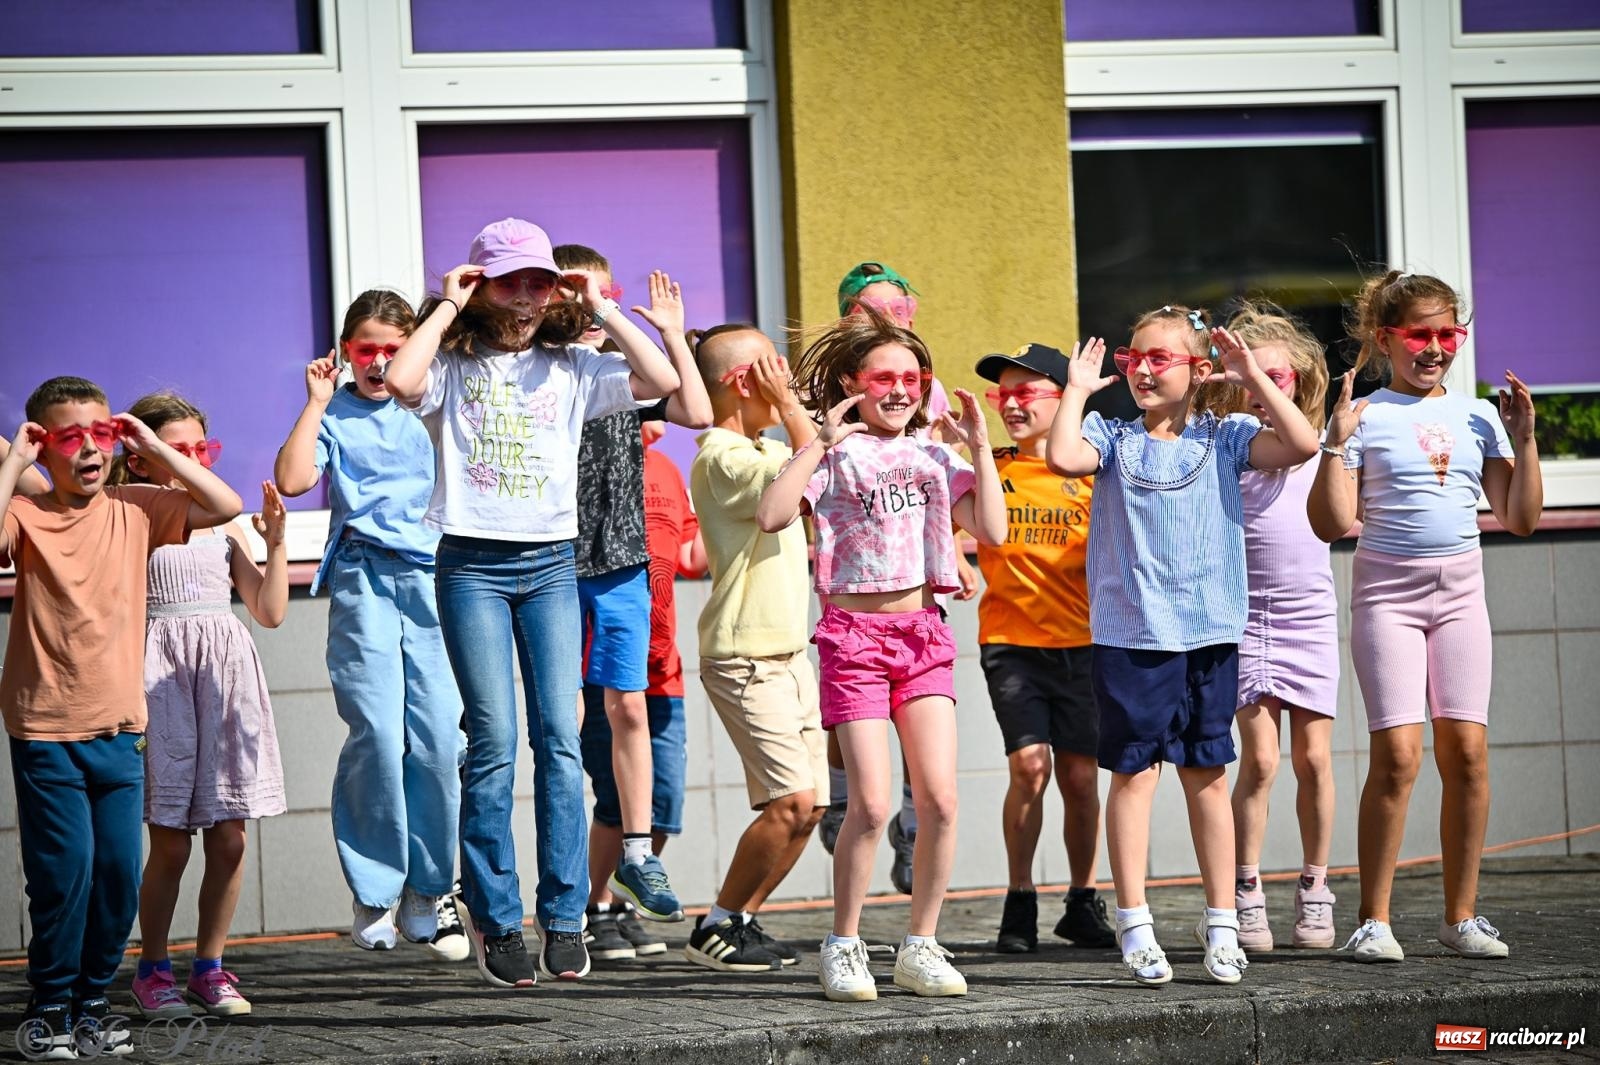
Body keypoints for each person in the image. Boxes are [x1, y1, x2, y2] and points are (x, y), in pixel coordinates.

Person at [384, 218, 679, 988]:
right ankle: (495, 917)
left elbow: (663, 384)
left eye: (538, 281)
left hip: (552, 564)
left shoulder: (574, 364)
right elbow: (402, 383)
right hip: (471, 565)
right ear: (482, 285)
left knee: (559, 733)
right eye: (509, 280)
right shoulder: (452, 361)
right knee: (492, 739)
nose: (526, 296)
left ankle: (565, 915)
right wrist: (446, 308)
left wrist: (603, 306)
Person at [1045, 305, 1318, 986]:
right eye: (1134, 356)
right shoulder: (1110, 435)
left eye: (1159, 357)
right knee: (1134, 776)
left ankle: (1222, 921)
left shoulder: (1226, 436)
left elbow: (1304, 444)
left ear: (1197, 370)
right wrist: (1077, 388)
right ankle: (1135, 923)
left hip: (1210, 632)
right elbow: (1061, 455)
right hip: (1132, 637)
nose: (1141, 367)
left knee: (1209, 776)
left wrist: (1251, 372)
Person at [757, 310, 1006, 1002]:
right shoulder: (835, 453)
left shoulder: (935, 454)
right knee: (868, 803)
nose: (899, 389)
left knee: (941, 800)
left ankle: (921, 944)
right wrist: (817, 443)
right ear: (852, 382)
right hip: (853, 640)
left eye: (911, 377)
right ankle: (844, 943)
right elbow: (774, 515)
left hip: (923, 634)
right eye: (883, 377)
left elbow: (992, 528)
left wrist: (980, 448)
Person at [1, 376, 241, 1059]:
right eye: (69, 437)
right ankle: (49, 1000)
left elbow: (220, 503)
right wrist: (13, 464)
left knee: (113, 873)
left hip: (120, 728)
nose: (89, 449)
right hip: (46, 729)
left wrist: (155, 451)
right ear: (45, 445)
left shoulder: (138, 507)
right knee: (63, 872)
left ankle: (93, 999)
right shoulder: (28, 513)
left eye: (100, 434)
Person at [1309, 271, 1542, 963]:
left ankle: (1460, 916)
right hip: (1389, 600)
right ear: (1386, 339)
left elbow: (1520, 517)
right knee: (1399, 755)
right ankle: (1373, 919)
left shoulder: (1478, 416)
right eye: (1420, 334)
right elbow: (1331, 523)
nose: (1435, 347)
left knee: (1467, 753)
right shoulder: (1367, 413)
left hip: (1461, 599)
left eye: (1448, 333)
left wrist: (1524, 438)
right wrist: (1332, 442)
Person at [274, 289, 467, 963]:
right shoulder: (337, 410)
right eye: (367, 349)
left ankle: (429, 889)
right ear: (344, 352)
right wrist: (317, 403)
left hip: (436, 580)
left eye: (393, 347)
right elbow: (295, 479)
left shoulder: (436, 404)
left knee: (440, 739)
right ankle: (375, 888)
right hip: (363, 577)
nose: (380, 361)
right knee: (380, 735)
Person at [106, 394, 287, 1020]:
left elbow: (267, 611)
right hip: (160, 674)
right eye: (175, 450)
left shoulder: (225, 520)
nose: (191, 462)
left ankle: (210, 967)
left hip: (224, 672)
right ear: (140, 455)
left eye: (200, 451)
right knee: (173, 842)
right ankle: (151, 966)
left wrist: (280, 541)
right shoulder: (126, 510)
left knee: (230, 838)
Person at [552, 245, 710, 943]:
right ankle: (568, 901)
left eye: (600, 294)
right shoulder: (545, 374)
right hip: (552, 563)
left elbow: (695, 405)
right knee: (555, 727)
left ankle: (638, 855)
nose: (589, 307)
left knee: (629, 708)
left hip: (619, 563)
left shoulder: (620, 369)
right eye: (574, 296)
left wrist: (660, 327)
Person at [822, 261, 976, 895]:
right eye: (872, 310)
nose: (889, 319)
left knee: (934, 772)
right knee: (858, 737)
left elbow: (935, 489)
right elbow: (818, 488)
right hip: (849, 574)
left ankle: (914, 825)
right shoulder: (836, 397)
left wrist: (957, 555)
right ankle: (846, 796)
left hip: (914, 593)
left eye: (900, 309)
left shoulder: (919, 387)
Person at [1197, 302, 1340, 952]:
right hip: (1245, 620)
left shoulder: (1317, 447)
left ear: (1300, 379)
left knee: (1313, 758)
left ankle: (1316, 883)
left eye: (1277, 377)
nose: (1265, 389)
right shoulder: (1232, 445)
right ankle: (1245, 884)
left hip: (1307, 615)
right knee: (1257, 759)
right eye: (1254, 379)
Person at [686, 325, 825, 973]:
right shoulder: (723, 456)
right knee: (789, 801)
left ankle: (738, 918)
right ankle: (715, 922)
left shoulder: (763, 447)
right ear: (745, 381)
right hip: (745, 655)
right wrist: (803, 417)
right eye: (779, 372)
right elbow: (810, 458)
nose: (791, 386)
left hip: (791, 653)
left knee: (812, 805)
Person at [971, 343, 1115, 954]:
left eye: (1025, 392)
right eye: (1003, 392)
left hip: (1086, 645)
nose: (1010, 403)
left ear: (1064, 399)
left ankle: (1082, 901)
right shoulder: (989, 465)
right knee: (1030, 768)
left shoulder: (1091, 469)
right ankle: (1020, 899)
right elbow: (947, 521)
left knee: (1081, 776)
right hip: (1012, 642)